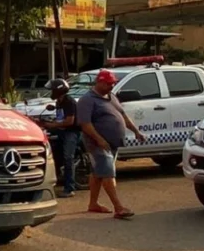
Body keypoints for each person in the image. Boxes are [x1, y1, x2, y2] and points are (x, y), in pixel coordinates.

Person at [77, 69, 146, 219]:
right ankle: (118, 207)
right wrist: (100, 139)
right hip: (96, 144)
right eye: (109, 83)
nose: (112, 86)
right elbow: (85, 124)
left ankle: (93, 204)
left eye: (113, 83)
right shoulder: (87, 100)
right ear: (99, 82)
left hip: (112, 143)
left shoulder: (111, 97)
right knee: (108, 172)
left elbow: (123, 115)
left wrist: (136, 131)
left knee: (98, 173)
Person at [40, 78, 81, 198]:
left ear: (59, 91)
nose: (51, 93)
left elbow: (69, 121)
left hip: (71, 132)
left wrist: (52, 125)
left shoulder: (69, 102)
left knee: (68, 158)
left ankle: (69, 188)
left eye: (52, 90)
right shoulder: (59, 102)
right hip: (62, 131)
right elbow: (60, 118)